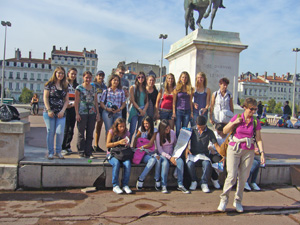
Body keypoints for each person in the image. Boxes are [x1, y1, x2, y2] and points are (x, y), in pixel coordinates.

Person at [217, 97, 266, 213]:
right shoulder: (238, 118)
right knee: (231, 175)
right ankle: (224, 200)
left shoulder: (255, 121)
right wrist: (234, 123)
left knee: (243, 178)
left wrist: (262, 152)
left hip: (248, 149)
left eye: (255, 109)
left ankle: (238, 201)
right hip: (234, 148)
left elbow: (258, 138)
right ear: (244, 107)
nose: (253, 112)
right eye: (251, 109)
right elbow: (224, 130)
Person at [185, 115, 221, 193]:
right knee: (189, 164)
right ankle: (194, 181)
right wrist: (187, 149)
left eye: (202, 127)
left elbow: (216, 144)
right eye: (199, 127)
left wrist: (223, 154)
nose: (200, 129)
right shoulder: (192, 130)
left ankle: (204, 183)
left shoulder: (210, 132)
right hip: (194, 155)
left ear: (205, 125)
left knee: (207, 164)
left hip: (204, 155)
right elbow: (185, 142)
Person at [156, 119, 190, 194]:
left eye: (169, 128)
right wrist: (169, 157)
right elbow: (160, 150)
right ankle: (164, 185)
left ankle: (180, 184)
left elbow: (175, 144)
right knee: (165, 164)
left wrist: (175, 155)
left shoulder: (172, 133)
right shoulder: (158, 135)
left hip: (173, 154)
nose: (168, 130)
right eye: (166, 129)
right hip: (163, 155)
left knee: (180, 162)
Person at [43, 66, 69, 160]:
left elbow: (66, 100)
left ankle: (58, 151)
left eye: (62, 73)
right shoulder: (49, 84)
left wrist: (62, 110)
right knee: (51, 132)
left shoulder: (65, 86)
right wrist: (49, 110)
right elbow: (45, 98)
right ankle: (50, 152)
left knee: (60, 132)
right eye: (59, 73)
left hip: (60, 113)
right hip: (49, 112)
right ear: (55, 73)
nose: (60, 75)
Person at [75, 71, 100, 159]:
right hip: (82, 112)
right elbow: (76, 101)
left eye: (89, 78)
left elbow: (96, 101)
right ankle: (81, 151)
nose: (88, 79)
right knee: (81, 133)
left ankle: (88, 152)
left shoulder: (94, 88)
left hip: (92, 112)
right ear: (83, 77)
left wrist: (97, 113)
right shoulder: (79, 88)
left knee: (90, 133)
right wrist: (77, 113)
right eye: (86, 77)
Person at [134, 116, 161, 190]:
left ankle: (156, 179)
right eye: (144, 123)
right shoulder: (141, 129)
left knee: (158, 159)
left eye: (147, 123)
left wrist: (142, 147)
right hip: (141, 154)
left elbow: (150, 144)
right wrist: (134, 149)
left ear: (150, 124)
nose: (145, 125)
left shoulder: (154, 130)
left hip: (150, 152)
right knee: (153, 160)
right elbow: (135, 139)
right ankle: (141, 179)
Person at [106, 118, 132, 194]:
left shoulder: (126, 132)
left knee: (128, 163)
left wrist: (127, 143)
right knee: (116, 163)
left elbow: (128, 144)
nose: (122, 128)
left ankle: (125, 185)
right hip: (112, 153)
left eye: (123, 126)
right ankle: (115, 185)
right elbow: (107, 144)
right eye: (120, 126)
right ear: (116, 126)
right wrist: (119, 142)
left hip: (123, 153)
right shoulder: (111, 132)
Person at [61, 68, 79, 155]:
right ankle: (63, 146)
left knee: (71, 128)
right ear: (68, 74)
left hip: (73, 108)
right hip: (66, 107)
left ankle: (68, 146)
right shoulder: (64, 84)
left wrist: (74, 104)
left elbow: (78, 97)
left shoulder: (77, 86)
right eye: (72, 74)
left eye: (75, 74)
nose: (73, 76)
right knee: (66, 128)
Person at [128, 72, 149, 140]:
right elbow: (132, 100)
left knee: (139, 130)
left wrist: (144, 110)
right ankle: (128, 145)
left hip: (142, 111)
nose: (141, 78)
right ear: (137, 78)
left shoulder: (145, 89)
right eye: (139, 77)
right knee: (132, 130)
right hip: (135, 110)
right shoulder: (132, 87)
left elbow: (147, 102)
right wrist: (139, 109)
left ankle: (135, 146)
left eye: (142, 77)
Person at [173, 71, 193, 137]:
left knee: (184, 129)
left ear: (188, 79)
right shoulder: (177, 88)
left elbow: (190, 101)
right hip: (179, 110)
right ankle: (177, 144)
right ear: (180, 78)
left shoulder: (190, 88)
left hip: (187, 111)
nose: (184, 79)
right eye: (183, 77)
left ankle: (183, 145)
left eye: (186, 77)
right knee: (178, 129)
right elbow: (174, 101)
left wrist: (191, 112)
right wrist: (174, 112)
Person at [208, 123, 228, 189]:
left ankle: (228, 182)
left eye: (220, 132)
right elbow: (209, 144)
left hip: (226, 154)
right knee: (216, 163)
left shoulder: (229, 136)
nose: (218, 133)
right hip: (215, 153)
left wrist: (224, 156)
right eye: (217, 132)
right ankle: (215, 179)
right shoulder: (214, 134)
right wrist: (211, 149)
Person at [92, 70, 107, 152]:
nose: (100, 77)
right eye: (99, 75)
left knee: (99, 127)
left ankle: (96, 145)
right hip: (93, 107)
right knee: (91, 127)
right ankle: (88, 145)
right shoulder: (92, 85)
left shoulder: (104, 87)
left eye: (102, 76)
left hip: (101, 107)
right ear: (96, 76)